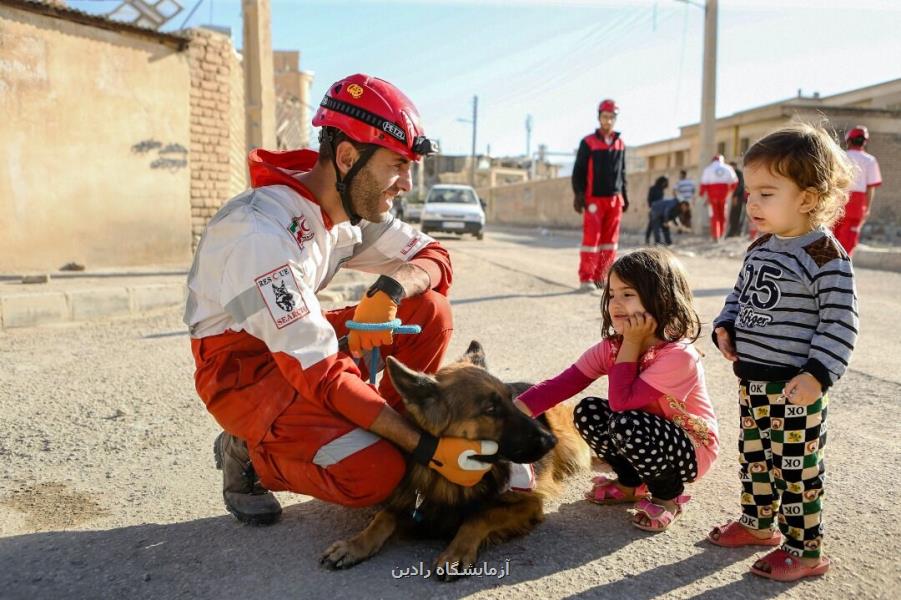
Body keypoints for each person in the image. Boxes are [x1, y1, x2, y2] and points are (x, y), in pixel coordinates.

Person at [184, 74, 497, 525]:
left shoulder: (347, 210)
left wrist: (391, 287)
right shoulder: (258, 233)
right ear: (348, 157)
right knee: (377, 476)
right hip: (244, 371)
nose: (406, 183)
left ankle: (382, 431)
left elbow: (436, 257)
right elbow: (324, 372)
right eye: (397, 165)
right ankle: (249, 450)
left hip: (296, 341)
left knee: (430, 310)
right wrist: (427, 448)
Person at [707, 123, 857, 582]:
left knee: (796, 473)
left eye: (766, 193)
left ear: (808, 198)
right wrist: (725, 325)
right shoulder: (760, 246)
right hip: (752, 381)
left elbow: (840, 322)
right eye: (749, 192)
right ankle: (757, 524)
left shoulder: (825, 255)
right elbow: (740, 296)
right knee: (754, 458)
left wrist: (818, 374)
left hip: (796, 387)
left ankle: (805, 550)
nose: (752, 203)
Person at [513, 248, 719, 532]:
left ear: (661, 298)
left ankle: (668, 496)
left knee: (624, 421)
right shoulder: (613, 348)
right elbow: (562, 384)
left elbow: (623, 403)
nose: (616, 304)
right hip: (642, 436)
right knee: (588, 411)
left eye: (628, 294)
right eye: (611, 294)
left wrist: (632, 345)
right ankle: (632, 483)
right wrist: (513, 412)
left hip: (690, 449)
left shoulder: (678, 356)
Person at [572, 98, 630, 292]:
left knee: (610, 243)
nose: (608, 121)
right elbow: (578, 171)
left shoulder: (620, 143)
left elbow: (622, 172)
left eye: (611, 117)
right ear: (599, 118)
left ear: (615, 119)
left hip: (614, 200)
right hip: (594, 199)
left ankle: (601, 278)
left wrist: (625, 196)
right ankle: (586, 278)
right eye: (605, 117)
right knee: (591, 240)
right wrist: (579, 194)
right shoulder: (588, 142)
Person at [832, 125, 882, 256]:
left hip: (838, 198)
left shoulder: (840, 156)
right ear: (865, 142)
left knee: (833, 234)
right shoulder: (870, 160)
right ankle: (842, 267)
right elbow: (870, 187)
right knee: (848, 239)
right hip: (857, 203)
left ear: (849, 140)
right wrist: (867, 208)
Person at [699, 155, 738, 242]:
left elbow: (703, 185)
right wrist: (730, 191)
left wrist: (701, 195)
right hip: (724, 196)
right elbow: (735, 182)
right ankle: (721, 235)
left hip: (712, 197)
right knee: (723, 216)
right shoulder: (728, 168)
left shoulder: (708, 169)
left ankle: (715, 235)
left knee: (714, 216)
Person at [644, 176, 669, 244]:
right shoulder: (653, 188)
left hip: (659, 210)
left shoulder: (661, 190)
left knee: (652, 225)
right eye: (664, 182)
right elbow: (649, 199)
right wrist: (651, 208)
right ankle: (650, 239)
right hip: (653, 209)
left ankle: (650, 240)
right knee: (651, 226)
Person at [725, 161, 746, 238]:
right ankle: (732, 232)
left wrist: (735, 196)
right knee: (732, 215)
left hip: (738, 197)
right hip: (733, 197)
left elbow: (740, 186)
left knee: (736, 215)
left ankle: (735, 232)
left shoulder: (739, 173)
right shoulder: (731, 174)